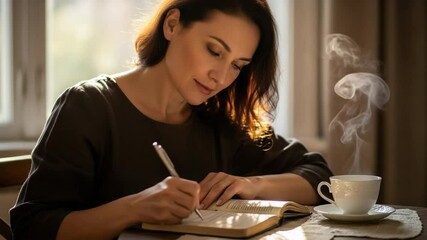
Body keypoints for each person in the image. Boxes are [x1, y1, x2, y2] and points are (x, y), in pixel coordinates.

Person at [10, 0, 333, 239]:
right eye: (214, 50)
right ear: (172, 24)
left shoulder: (221, 122)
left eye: (237, 65)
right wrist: (135, 208)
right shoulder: (87, 107)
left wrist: (252, 184)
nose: (221, 76)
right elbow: (32, 227)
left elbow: (319, 177)